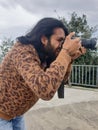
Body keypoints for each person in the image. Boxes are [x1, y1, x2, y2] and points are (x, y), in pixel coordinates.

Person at [0, 17, 86, 130]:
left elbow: (60, 81)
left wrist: (69, 59)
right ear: (44, 39)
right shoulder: (22, 51)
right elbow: (44, 90)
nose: (62, 45)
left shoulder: (45, 55)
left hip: (17, 115)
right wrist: (65, 53)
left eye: (64, 42)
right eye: (59, 40)